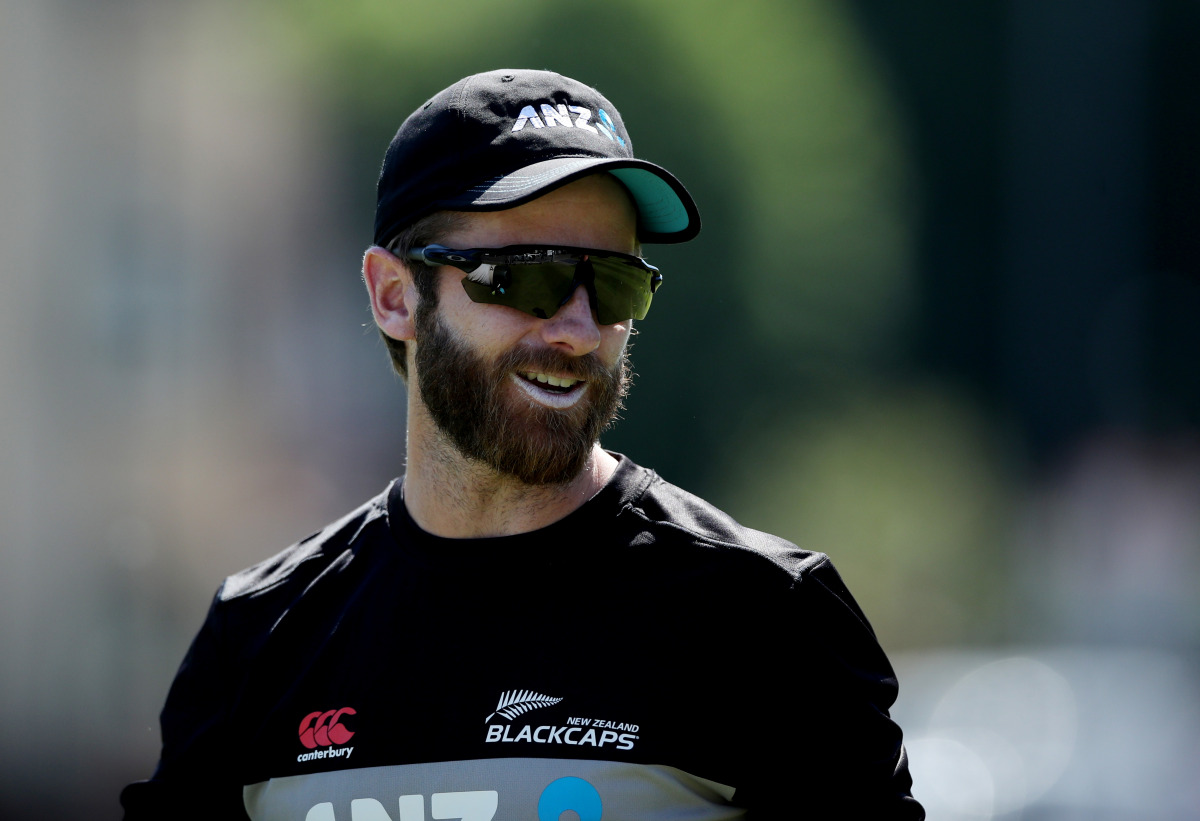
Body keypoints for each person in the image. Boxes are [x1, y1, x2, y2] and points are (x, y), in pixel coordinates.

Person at [121, 69, 924, 820]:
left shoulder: (765, 617)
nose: (576, 328)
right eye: (526, 277)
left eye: (612, 284)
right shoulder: (259, 636)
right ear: (395, 296)